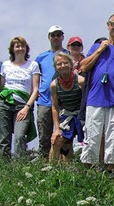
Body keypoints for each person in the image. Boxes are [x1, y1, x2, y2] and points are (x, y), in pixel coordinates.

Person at [79, 13, 114, 171]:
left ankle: (111, 173)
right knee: (92, 138)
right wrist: (100, 50)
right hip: (95, 99)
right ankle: (88, 172)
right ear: (108, 25)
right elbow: (83, 66)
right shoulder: (97, 47)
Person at [0, 36, 40, 157]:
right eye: (17, 46)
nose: (20, 49)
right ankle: (3, 166)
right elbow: (2, 85)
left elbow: (35, 89)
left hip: (22, 104)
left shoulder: (33, 65)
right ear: (12, 49)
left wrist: (27, 107)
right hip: (4, 103)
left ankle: (19, 166)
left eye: (22, 46)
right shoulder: (5, 65)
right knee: (3, 137)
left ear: (26, 48)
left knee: (20, 136)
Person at [35, 25, 67, 159]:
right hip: (45, 101)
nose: (56, 38)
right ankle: (44, 164)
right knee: (44, 135)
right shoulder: (41, 57)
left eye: (58, 35)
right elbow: (35, 77)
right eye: (53, 35)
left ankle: (63, 165)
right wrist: (35, 91)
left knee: (64, 135)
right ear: (49, 37)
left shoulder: (68, 54)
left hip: (64, 102)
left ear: (62, 37)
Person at [49, 52, 85, 162]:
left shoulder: (80, 81)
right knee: (57, 140)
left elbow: (87, 102)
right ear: (56, 68)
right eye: (59, 64)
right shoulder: (54, 85)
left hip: (81, 115)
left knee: (88, 141)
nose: (63, 66)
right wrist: (56, 129)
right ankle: (51, 169)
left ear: (71, 64)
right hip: (67, 115)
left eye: (65, 63)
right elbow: (55, 107)